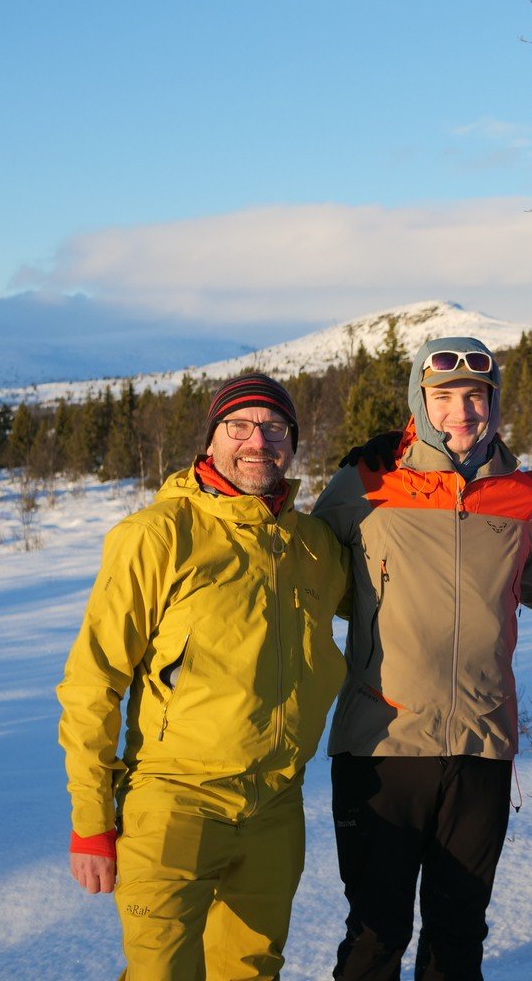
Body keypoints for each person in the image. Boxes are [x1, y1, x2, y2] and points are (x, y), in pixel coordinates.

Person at [57, 372, 350, 979]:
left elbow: (401, 573)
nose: (257, 441)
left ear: (293, 443)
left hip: (276, 807)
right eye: (238, 426)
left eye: (274, 428)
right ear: (211, 441)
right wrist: (91, 823)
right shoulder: (158, 535)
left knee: (252, 969)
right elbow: (92, 683)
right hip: (173, 804)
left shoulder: (314, 546)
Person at [313, 336, 532, 981]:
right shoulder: (364, 482)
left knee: (459, 931)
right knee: (374, 933)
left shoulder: (526, 498)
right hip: (382, 744)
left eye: (476, 395)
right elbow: (305, 580)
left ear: (494, 403)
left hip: (481, 745)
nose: (462, 410)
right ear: (420, 400)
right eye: (444, 395)